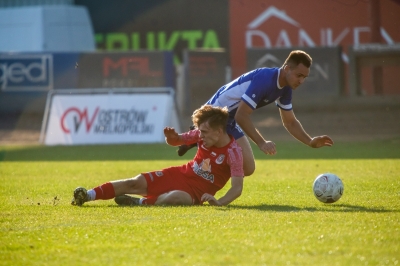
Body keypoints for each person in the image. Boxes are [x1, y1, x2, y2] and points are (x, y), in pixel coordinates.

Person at [178, 50, 334, 176]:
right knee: (206, 168)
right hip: (214, 117)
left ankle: (196, 141)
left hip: (230, 119)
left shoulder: (286, 88)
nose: (301, 81)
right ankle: (197, 136)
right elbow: (242, 115)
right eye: (299, 75)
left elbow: (290, 122)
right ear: (287, 68)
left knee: (248, 168)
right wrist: (261, 142)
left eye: (304, 77)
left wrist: (310, 141)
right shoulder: (265, 80)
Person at [71, 105, 244, 207]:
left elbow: (237, 188)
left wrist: (219, 202)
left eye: (205, 132)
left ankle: (138, 203)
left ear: (219, 131)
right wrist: (172, 138)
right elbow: (178, 141)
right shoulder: (199, 135)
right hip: (181, 174)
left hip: (195, 192)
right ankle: (87, 195)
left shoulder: (234, 152)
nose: (201, 135)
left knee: (177, 197)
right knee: (135, 182)